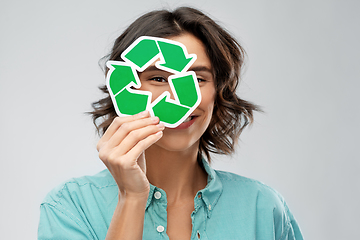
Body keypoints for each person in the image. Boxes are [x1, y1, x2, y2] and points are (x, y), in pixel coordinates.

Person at [38, 7, 303, 240]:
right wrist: (131, 198)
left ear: (219, 93)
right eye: (158, 78)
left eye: (198, 79)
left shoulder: (263, 209)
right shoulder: (70, 206)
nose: (179, 100)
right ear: (123, 86)